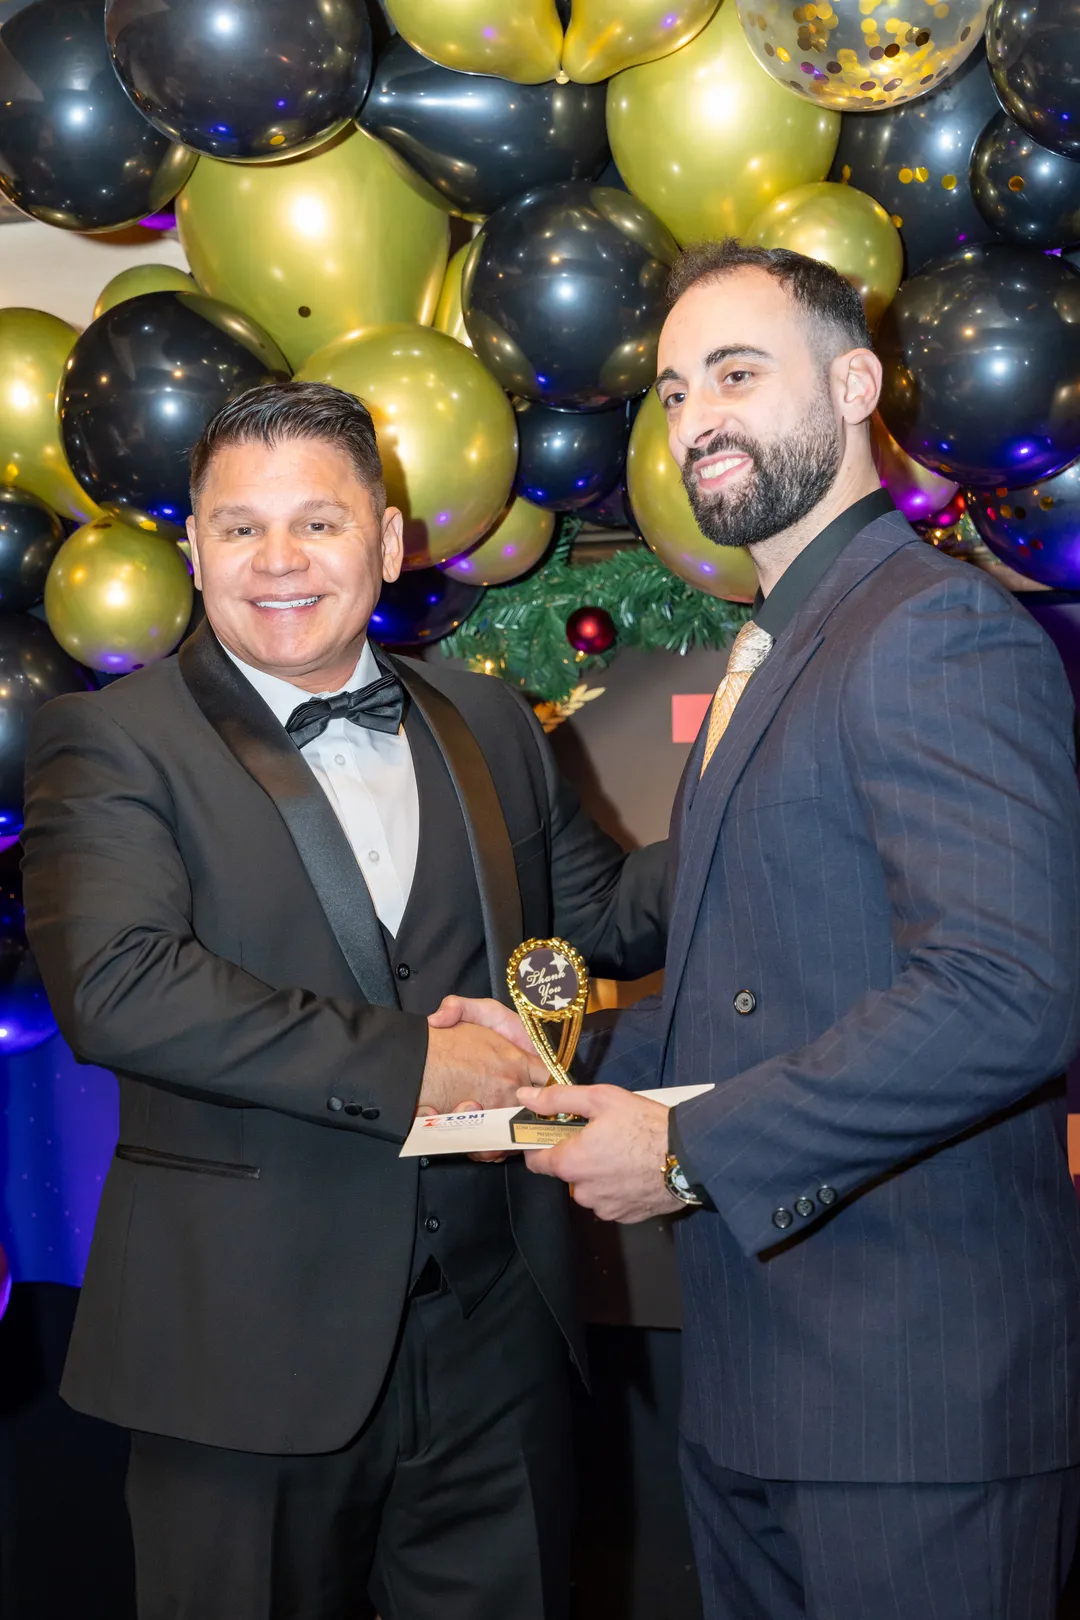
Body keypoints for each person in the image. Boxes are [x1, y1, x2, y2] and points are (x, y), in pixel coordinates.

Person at [450, 240, 1080, 1618]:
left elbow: (1008, 994)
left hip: (916, 1406)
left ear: (856, 385)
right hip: (761, 1384)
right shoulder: (787, 643)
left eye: (738, 373)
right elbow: (764, 978)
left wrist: (682, 1149)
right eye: (675, 393)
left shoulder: (932, 630)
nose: (697, 421)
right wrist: (542, 1077)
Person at [20, 380, 668, 1620]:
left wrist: (766, 777)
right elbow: (119, 986)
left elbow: (598, 922)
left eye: (316, 523)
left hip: (497, 1342)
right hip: (241, 1355)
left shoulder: (485, 715)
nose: (277, 560)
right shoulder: (112, 738)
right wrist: (412, 1067)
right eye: (239, 526)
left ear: (386, 540)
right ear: (194, 550)